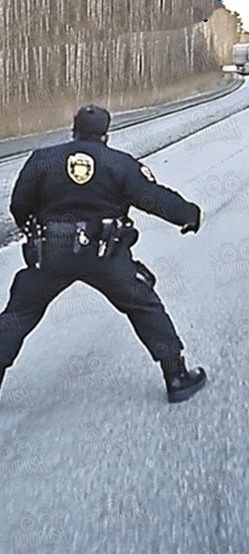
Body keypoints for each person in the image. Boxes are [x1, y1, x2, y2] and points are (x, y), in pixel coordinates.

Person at [0, 105, 208, 404]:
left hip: (52, 253)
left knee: (17, 315)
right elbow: (151, 197)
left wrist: (38, 234)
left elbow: (19, 205)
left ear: (74, 130)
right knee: (143, 304)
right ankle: (176, 377)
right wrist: (186, 214)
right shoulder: (119, 164)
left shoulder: (42, 159)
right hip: (105, 254)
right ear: (106, 135)